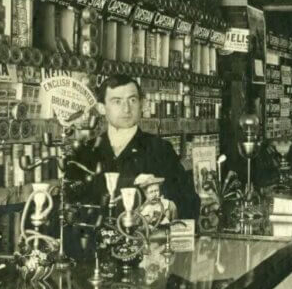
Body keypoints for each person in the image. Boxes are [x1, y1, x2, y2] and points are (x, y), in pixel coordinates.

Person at [67, 74, 200, 223]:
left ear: (141, 103)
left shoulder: (159, 149)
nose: (126, 109)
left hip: (145, 241)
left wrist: (170, 207)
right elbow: (72, 205)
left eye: (132, 100)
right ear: (102, 108)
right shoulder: (86, 152)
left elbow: (190, 201)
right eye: (117, 101)